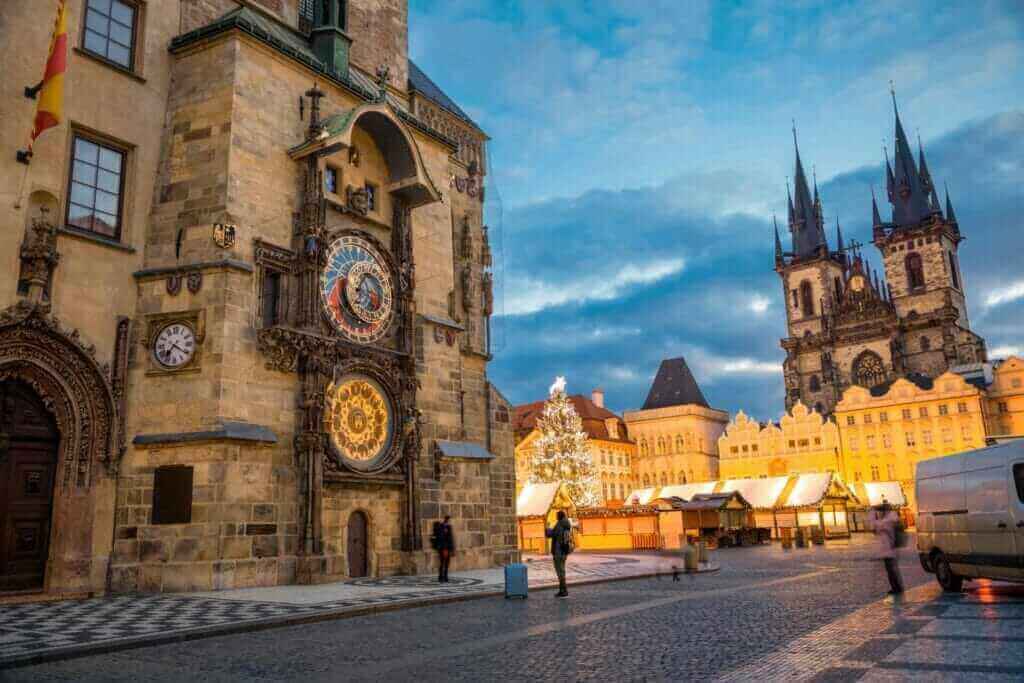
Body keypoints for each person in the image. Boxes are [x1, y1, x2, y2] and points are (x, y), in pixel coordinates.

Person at [872, 502, 904, 595]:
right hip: (890, 548)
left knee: (891, 569)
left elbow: (876, 527)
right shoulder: (892, 518)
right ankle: (897, 587)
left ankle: (896, 588)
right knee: (892, 569)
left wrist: (873, 514)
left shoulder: (887, 520)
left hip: (889, 549)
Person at [544, 510, 573, 598]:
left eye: (557, 516)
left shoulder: (559, 525)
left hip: (558, 551)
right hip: (564, 551)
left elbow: (551, 534)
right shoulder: (567, 524)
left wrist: (547, 527)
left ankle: (563, 591)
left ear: (559, 516)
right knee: (562, 570)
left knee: (560, 571)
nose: (556, 517)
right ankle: (563, 590)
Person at [432, 515, 455, 583]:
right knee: (442, 563)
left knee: (446, 563)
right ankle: (441, 577)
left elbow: (451, 538)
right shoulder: (441, 527)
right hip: (443, 548)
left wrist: (452, 549)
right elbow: (441, 538)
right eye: (448, 520)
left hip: (447, 548)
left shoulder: (449, 527)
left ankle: (445, 577)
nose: (449, 522)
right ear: (446, 520)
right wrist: (445, 548)